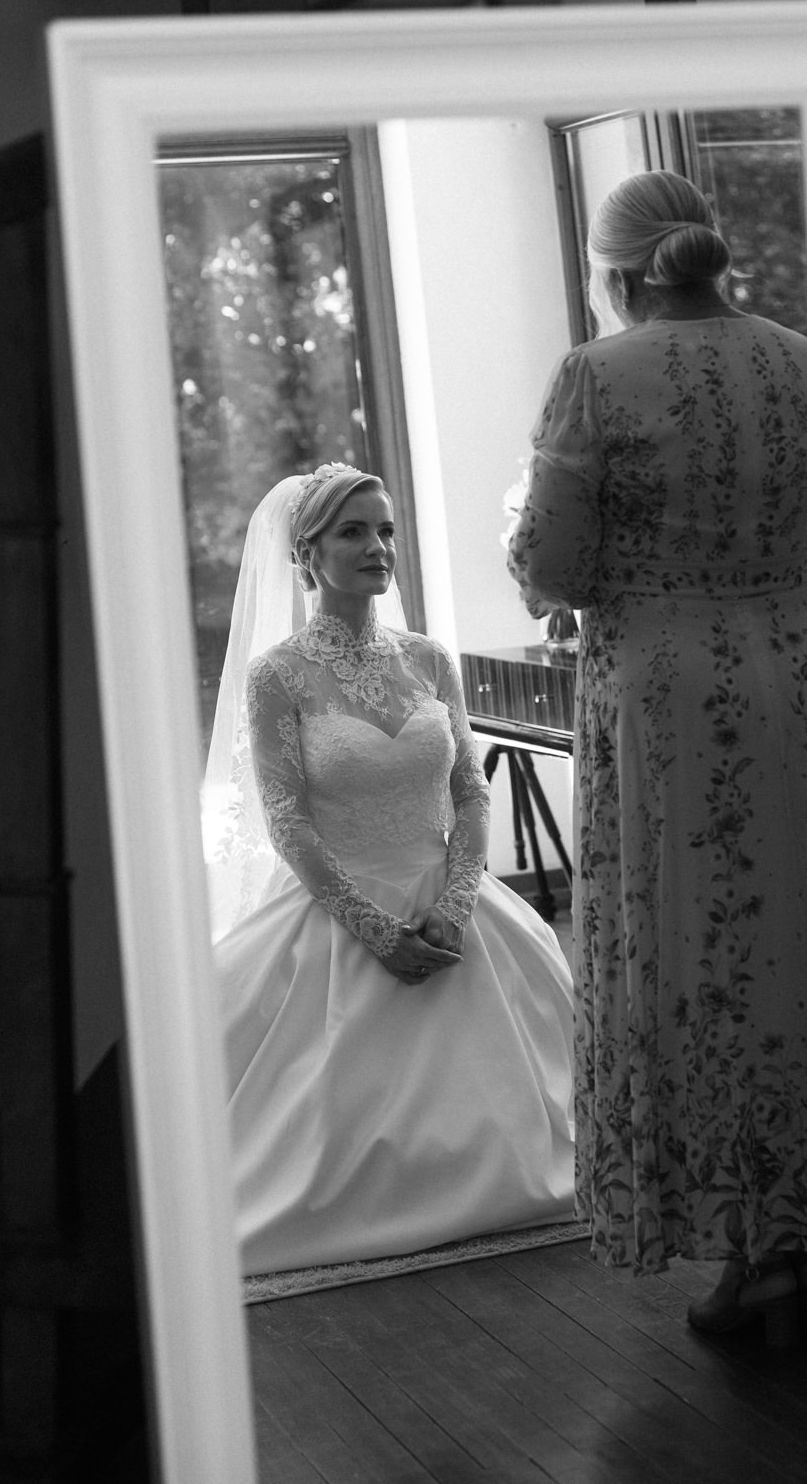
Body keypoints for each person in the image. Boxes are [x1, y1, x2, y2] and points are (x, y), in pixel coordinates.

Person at [507, 171, 807, 1343]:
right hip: (797, 677)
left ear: (617, 274)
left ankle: (752, 1255)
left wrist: (570, 571)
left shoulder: (595, 376)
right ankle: (802, 1242)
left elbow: (552, 564)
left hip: (666, 698)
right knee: (795, 949)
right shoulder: (804, 362)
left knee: (690, 956)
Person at [204, 461, 576, 1277]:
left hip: (451, 899)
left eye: (385, 530)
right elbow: (287, 818)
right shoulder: (278, 676)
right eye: (354, 532)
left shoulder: (428, 658)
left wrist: (458, 899)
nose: (378, 547)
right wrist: (373, 929)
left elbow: (471, 791)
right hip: (338, 906)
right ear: (306, 554)